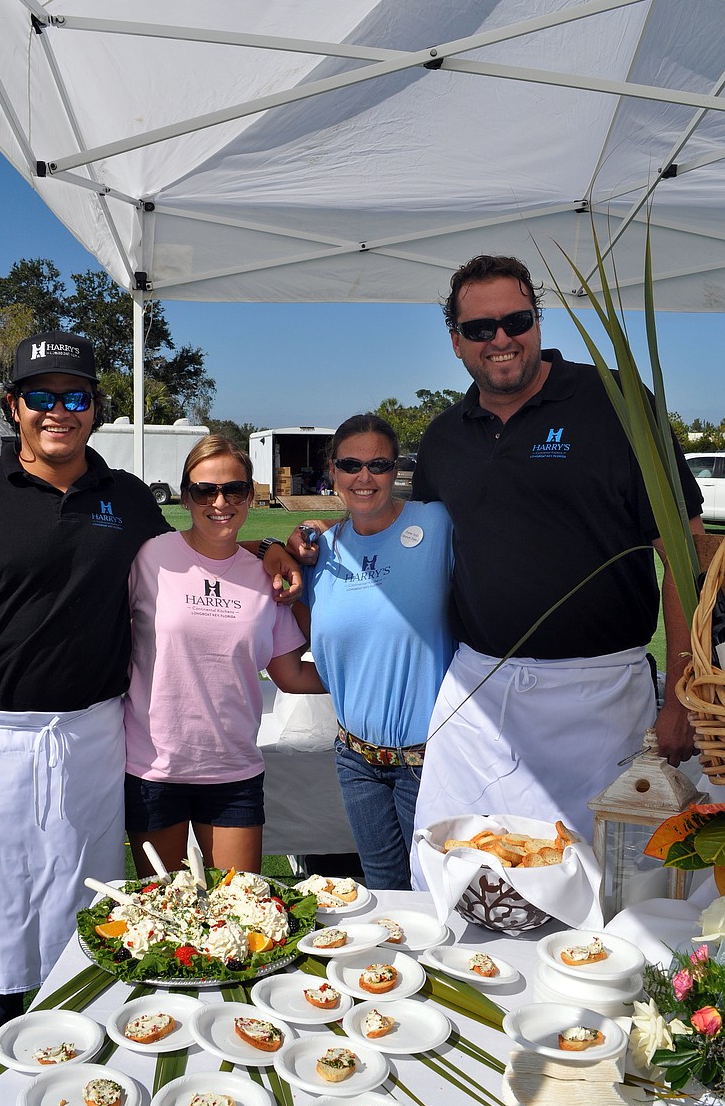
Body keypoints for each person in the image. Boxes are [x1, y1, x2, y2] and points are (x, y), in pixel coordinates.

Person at [0, 332, 300, 1106]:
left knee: (88, 895)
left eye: (75, 397)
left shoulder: (130, 500)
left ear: (96, 410)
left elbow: (203, 550)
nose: (58, 411)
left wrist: (269, 545)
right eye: (41, 396)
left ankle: (84, 1056)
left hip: (95, 734)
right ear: (14, 407)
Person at [407, 253, 704, 880]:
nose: (502, 339)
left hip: (600, 699)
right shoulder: (442, 439)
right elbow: (409, 547)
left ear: (537, 321)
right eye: (481, 328)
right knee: (457, 877)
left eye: (517, 319)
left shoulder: (618, 404)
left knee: (600, 888)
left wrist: (681, 695)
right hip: (479, 694)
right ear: (456, 340)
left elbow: (685, 551)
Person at [124, 435, 324, 877]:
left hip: (233, 770)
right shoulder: (151, 557)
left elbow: (290, 675)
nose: (220, 502)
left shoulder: (264, 576)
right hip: (155, 768)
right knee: (167, 921)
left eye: (234, 490)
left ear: (251, 495)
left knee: (239, 914)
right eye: (205, 491)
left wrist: (363, 678)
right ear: (186, 495)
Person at [293, 414, 455, 888]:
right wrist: (277, 545)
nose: (365, 477)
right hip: (355, 760)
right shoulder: (319, 550)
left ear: (396, 469)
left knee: (437, 892)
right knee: (383, 890)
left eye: (379, 464)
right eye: (351, 464)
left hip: (429, 761)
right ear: (333, 471)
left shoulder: (437, 523)